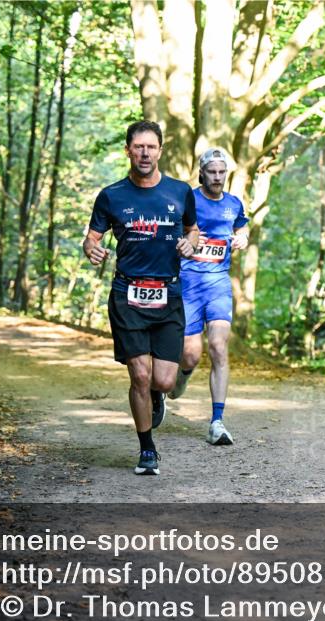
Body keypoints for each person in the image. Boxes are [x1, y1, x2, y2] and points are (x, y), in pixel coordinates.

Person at [83, 120, 198, 476]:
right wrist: (93, 249)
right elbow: (93, 237)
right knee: (139, 376)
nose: (145, 153)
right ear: (128, 151)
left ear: (161, 151)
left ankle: (159, 395)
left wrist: (190, 244)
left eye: (151, 147)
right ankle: (147, 449)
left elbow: (194, 230)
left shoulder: (180, 192)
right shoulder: (112, 195)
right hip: (128, 293)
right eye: (138, 147)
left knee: (161, 380)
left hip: (168, 293)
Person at [169, 147, 249, 446]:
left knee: (218, 346)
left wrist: (242, 237)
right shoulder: (188, 199)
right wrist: (185, 241)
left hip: (218, 285)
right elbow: (172, 231)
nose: (217, 177)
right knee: (191, 354)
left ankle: (217, 421)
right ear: (202, 172)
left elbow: (241, 225)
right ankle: (180, 376)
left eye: (221, 172)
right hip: (189, 285)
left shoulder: (233, 203)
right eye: (212, 172)